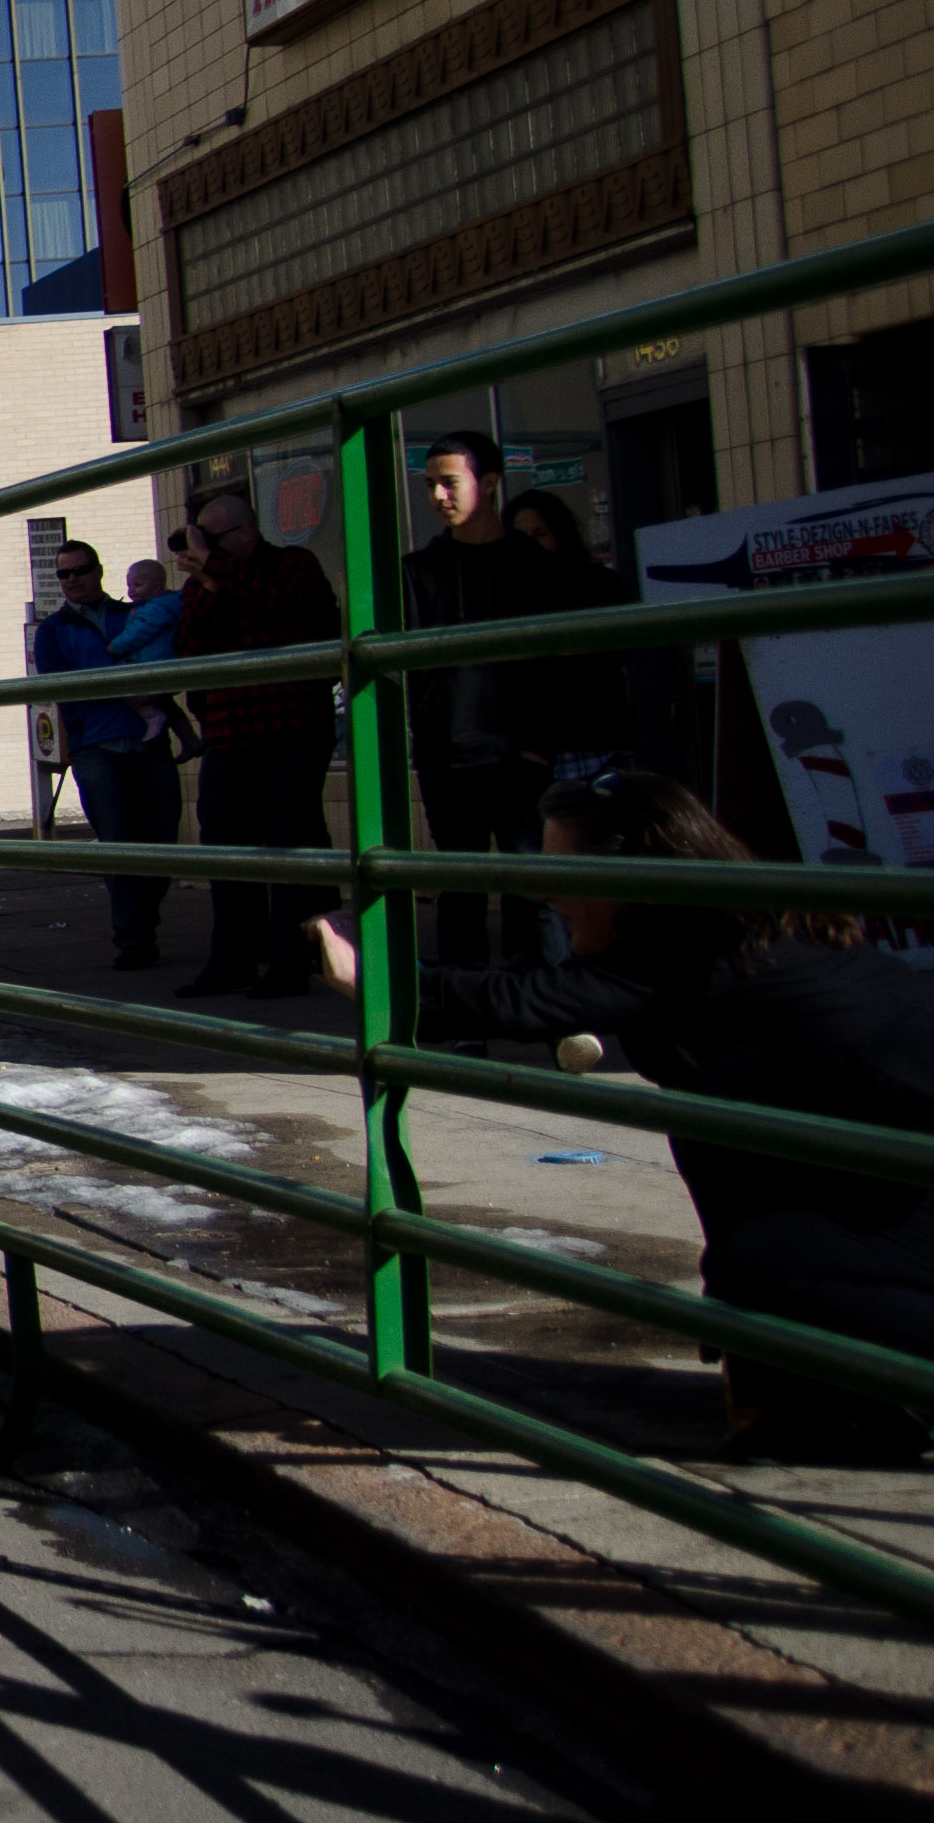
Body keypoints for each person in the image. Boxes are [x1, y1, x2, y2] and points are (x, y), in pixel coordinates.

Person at [314, 768, 933, 1463]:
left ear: (629, 875)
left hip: (905, 1198)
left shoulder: (699, 957)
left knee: (760, 1260)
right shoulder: (735, 925)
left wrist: (372, 981)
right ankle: (813, 1395)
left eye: (561, 867)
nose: (542, 891)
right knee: (744, 1216)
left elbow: (522, 1002)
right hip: (879, 1191)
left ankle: (872, 1394)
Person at [405, 432, 608, 968]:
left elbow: (561, 665)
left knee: (534, 891)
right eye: (430, 486)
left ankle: (551, 1013)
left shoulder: (536, 568)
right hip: (447, 755)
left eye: (449, 483)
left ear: (490, 483)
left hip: (519, 754)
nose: (438, 497)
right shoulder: (418, 571)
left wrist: (539, 746)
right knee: (460, 891)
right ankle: (467, 1022)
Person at [177, 486, 346, 997]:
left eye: (213, 537)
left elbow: (275, 611)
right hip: (230, 734)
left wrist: (216, 572)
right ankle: (233, 958)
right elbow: (189, 646)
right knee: (226, 850)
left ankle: (297, 959)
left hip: (291, 729)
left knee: (291, 845)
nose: (204, 548)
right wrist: (209, 581)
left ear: (245, 531)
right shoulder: (207, 581)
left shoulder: (294, 564)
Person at [31, 538, 192, 969]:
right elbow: (59, 684)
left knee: (161, 838)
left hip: (146, 741)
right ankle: (133, 938)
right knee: (118, 842)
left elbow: (164, 655)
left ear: (98, 571)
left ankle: (145, 922)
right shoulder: (54, 630)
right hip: (96, 748)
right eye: (63, 574)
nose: (71, 580)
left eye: (79, 570)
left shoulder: (132, 613)